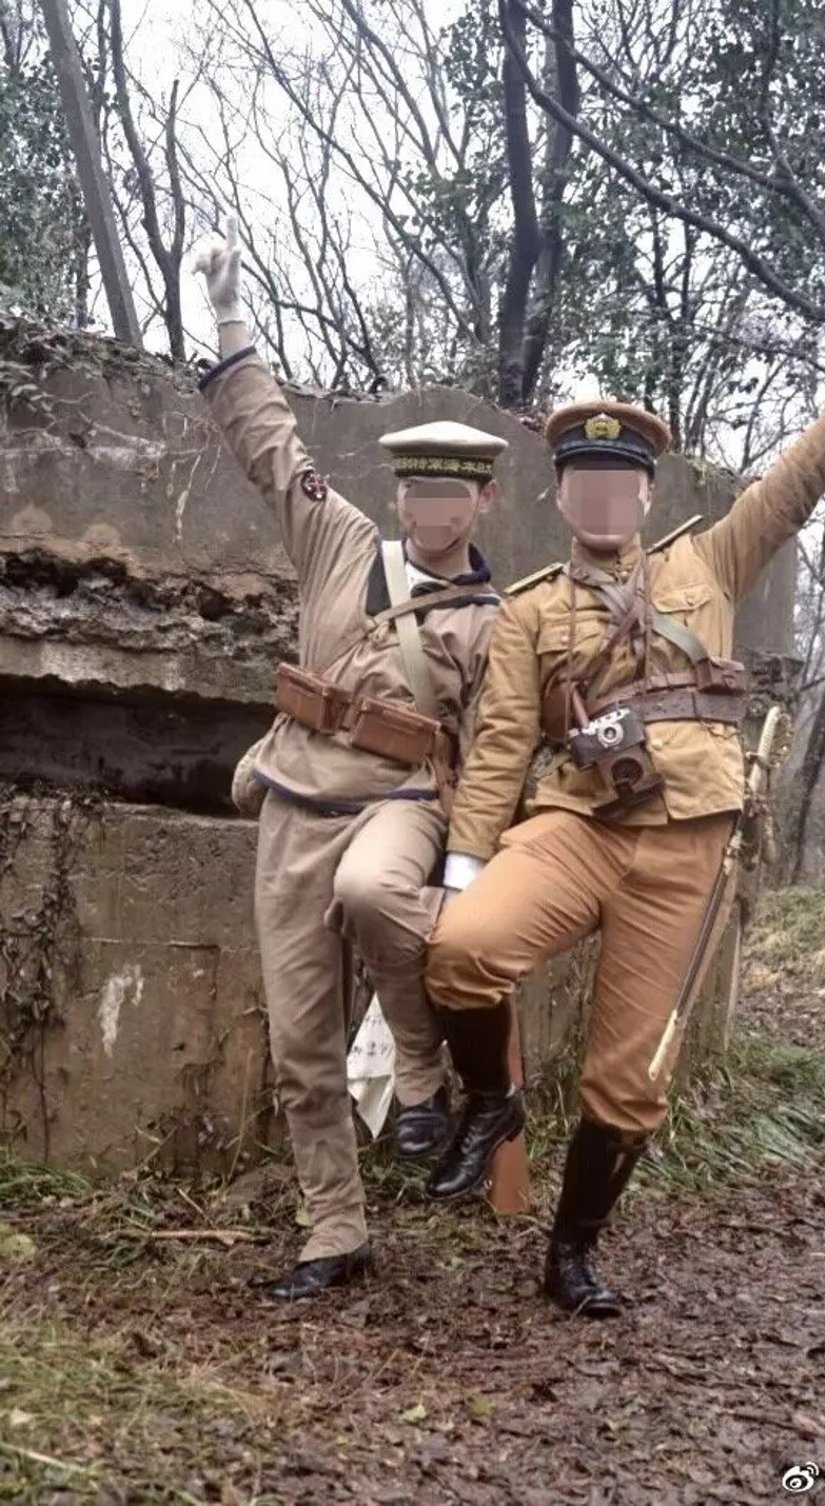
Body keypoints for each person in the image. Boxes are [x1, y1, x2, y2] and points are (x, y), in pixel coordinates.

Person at [423, 305, 825, 1317]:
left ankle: (570, 1256)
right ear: (564, 494)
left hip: (685, 846)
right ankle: (493, 1101)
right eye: (586, 481)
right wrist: (465, 864)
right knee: (460, 948)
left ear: (646, 494)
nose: (604, 496)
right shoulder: (530, 608)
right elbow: (495, 751)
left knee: (631, 1077)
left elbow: (794, 487)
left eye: (621, 482)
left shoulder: (706, 565)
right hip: (572, 824)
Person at [194, 216, 505, 1300]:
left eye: (450, 494)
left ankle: (422, 1074)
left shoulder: (496, 618)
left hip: (404, 799)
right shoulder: (341, 542)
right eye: (417, 491)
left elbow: (507, 744)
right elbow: (269, 442)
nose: (429, 509)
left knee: (381, 896)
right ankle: (335, 1231)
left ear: (482, 503)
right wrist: (231, 316)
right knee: (299, 1044)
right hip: (294, 792)